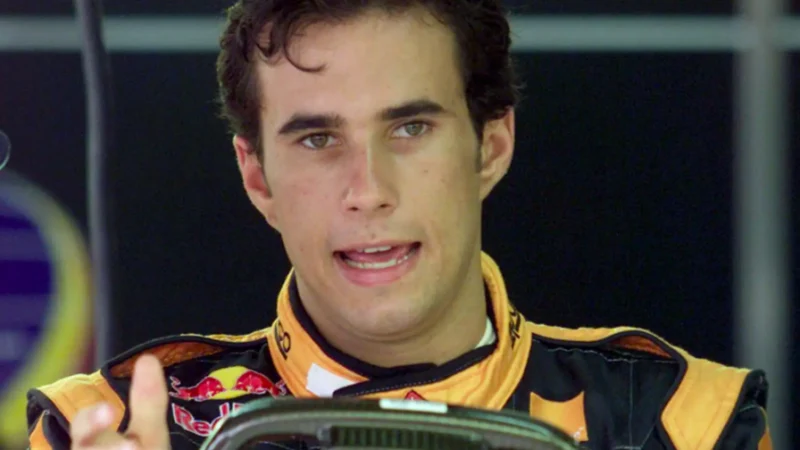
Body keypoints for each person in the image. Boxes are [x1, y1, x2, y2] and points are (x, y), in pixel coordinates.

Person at [26, 1, 772, 449]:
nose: (368, 191)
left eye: (410, 128)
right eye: (318, 139)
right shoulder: (101, 428)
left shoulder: (681, 423)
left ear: (492, 145)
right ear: (257, 178)